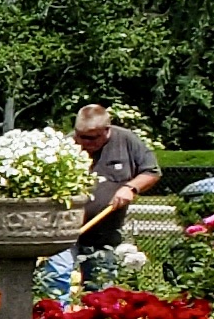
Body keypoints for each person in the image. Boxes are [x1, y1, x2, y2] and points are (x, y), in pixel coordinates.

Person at [44, 104, 160, 300]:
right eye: (81, 136)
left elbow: (152, 171)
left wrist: (131, 188)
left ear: (107, 130)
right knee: (57, 279)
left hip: (104, 232)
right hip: (65, 229)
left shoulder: (127, 140)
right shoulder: (65, 146)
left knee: (101, 288)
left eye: (92, 137)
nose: (85, 142)